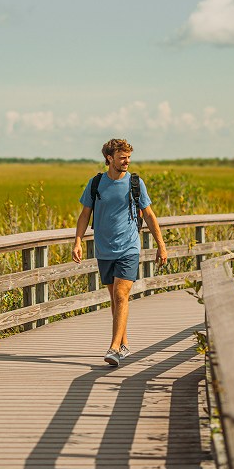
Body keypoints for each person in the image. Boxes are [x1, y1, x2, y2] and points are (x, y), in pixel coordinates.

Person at [72, 139, 168, 367]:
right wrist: (77, 241)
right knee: (114, 299)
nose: (127, 162)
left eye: (128, 157)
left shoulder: (135, 183)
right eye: (122, 157)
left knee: (121, 295)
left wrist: (161, 245)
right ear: (109, 158)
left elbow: (149, 215)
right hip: (104, 249)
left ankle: (114, 348)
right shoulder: (96, 183)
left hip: (129, 247)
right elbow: (85, 214)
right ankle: (123, 344)